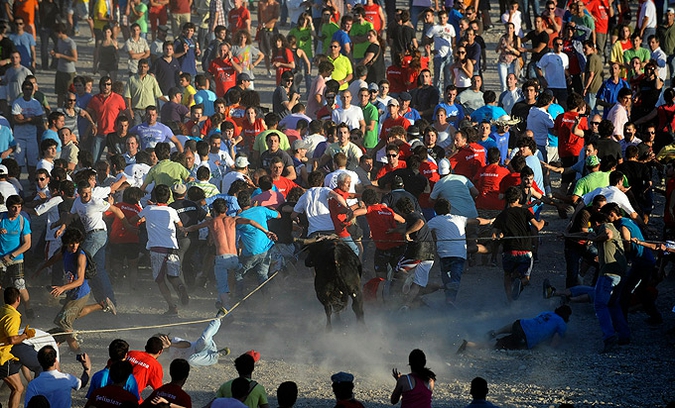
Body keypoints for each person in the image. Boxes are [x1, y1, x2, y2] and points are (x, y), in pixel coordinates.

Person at [459, 305, 572, 352]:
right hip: (526, 337)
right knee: (497, 346)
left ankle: (496, 332)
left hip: (521, 323)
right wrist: (549, 351)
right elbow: (555, 340)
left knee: (516, 326)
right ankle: (469, 345)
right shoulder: (562, 323)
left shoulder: (548, 313)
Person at [24, 345, 92, 408]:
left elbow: (28, 405)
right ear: (55, 360)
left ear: (40, 362)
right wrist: (87, 368)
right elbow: (82, 383)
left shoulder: (33, 384)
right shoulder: (67, 379)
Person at [0, 195, 33, 318]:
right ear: (8, 208)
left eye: (19, 207)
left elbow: (28, 244)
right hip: (0, 258)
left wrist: (12, 255)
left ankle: (28, 310)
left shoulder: (22, 221)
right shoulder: (1, 218)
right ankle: (4, 308)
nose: (16, 210)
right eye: (14, 207)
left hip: (16, 258)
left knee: (20, 284)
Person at [0, 287, 33, 408]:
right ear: (18, 299)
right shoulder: (12, 315)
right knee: (18, 388)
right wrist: (25, 335)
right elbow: (12, 340)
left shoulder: (2, 310)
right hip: (2, 357)